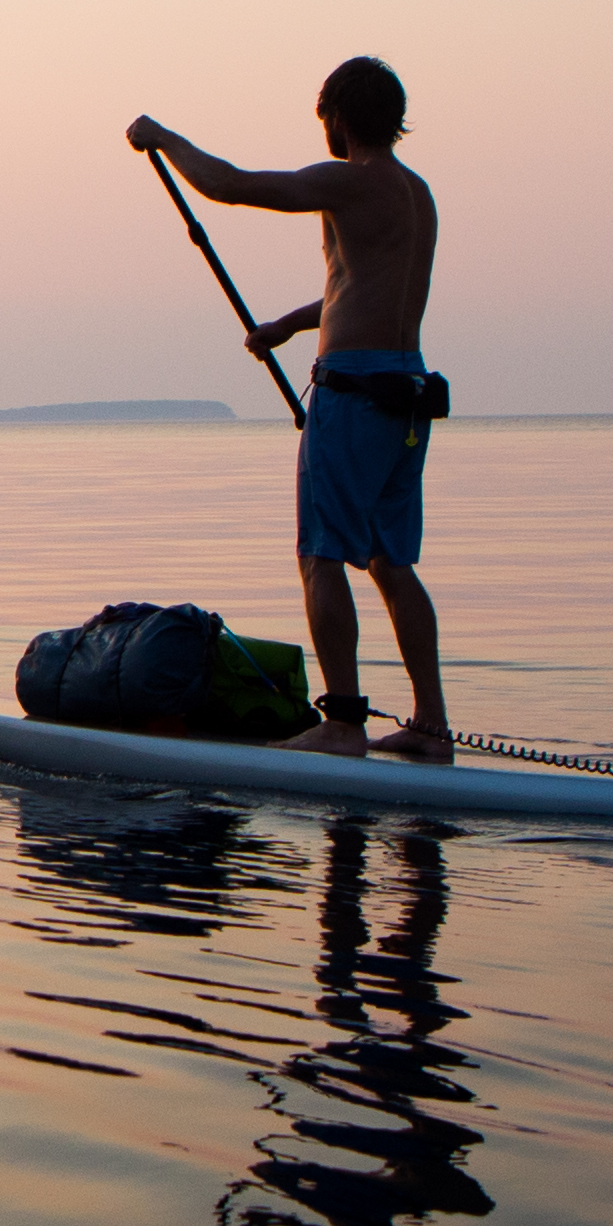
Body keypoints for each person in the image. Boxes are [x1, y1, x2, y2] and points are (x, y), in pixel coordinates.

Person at [130, 62, 448, 757]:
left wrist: (163, 137)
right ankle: (430, 726)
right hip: (407, 393)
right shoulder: (415, 195)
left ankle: (341, 724)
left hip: (354, 394)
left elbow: (230, 187)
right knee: (391, 563)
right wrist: (287, 326)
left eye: (324, 114)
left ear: (337, 113)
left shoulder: (348, 181)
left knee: (320, 555)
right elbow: (363, 284)